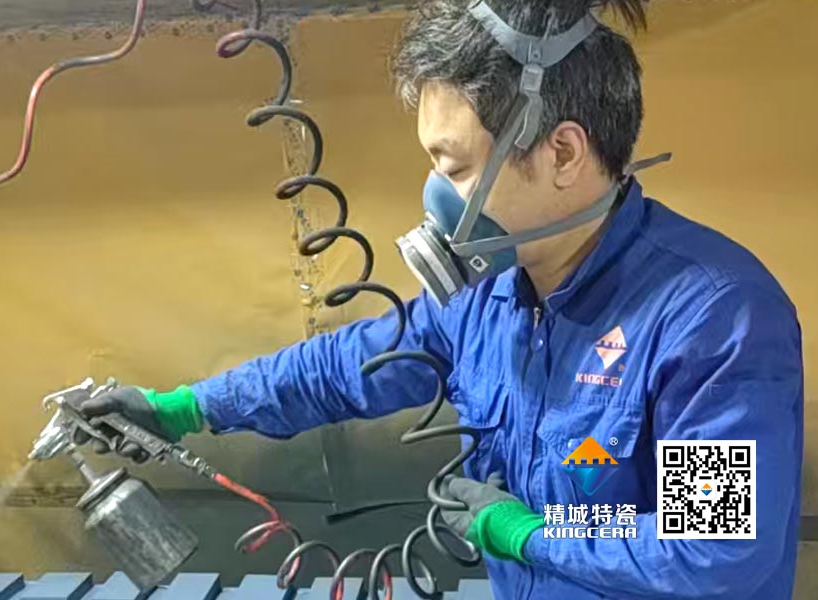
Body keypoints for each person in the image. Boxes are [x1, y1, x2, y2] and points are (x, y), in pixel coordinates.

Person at [73, 1, 804, 598]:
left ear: (562, 153)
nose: (435, 198)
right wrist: (184, 409)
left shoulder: (714, 320)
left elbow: (714, 551)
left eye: (453, 168)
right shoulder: (489, 295)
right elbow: (342, 368)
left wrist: (529, 535)